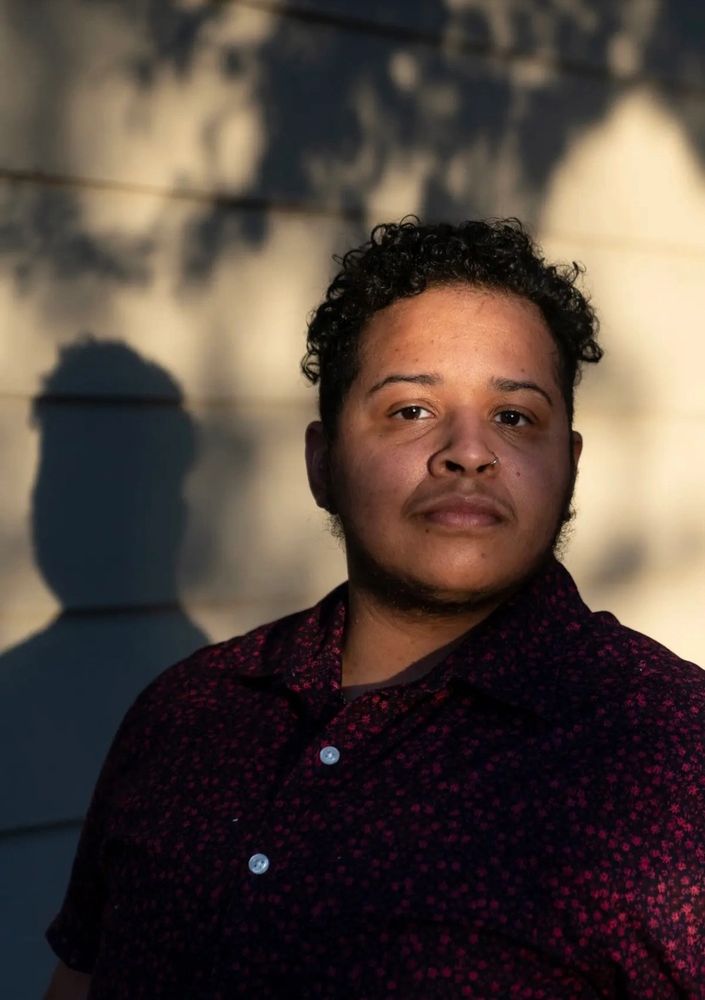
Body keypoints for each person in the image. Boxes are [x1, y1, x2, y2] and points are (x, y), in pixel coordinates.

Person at [45, 219, 705, 999]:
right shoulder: (187, 711)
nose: (467, 451)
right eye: (409, 410)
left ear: (568, 464)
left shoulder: (670, 750)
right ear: (322, 463)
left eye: (514, 416)